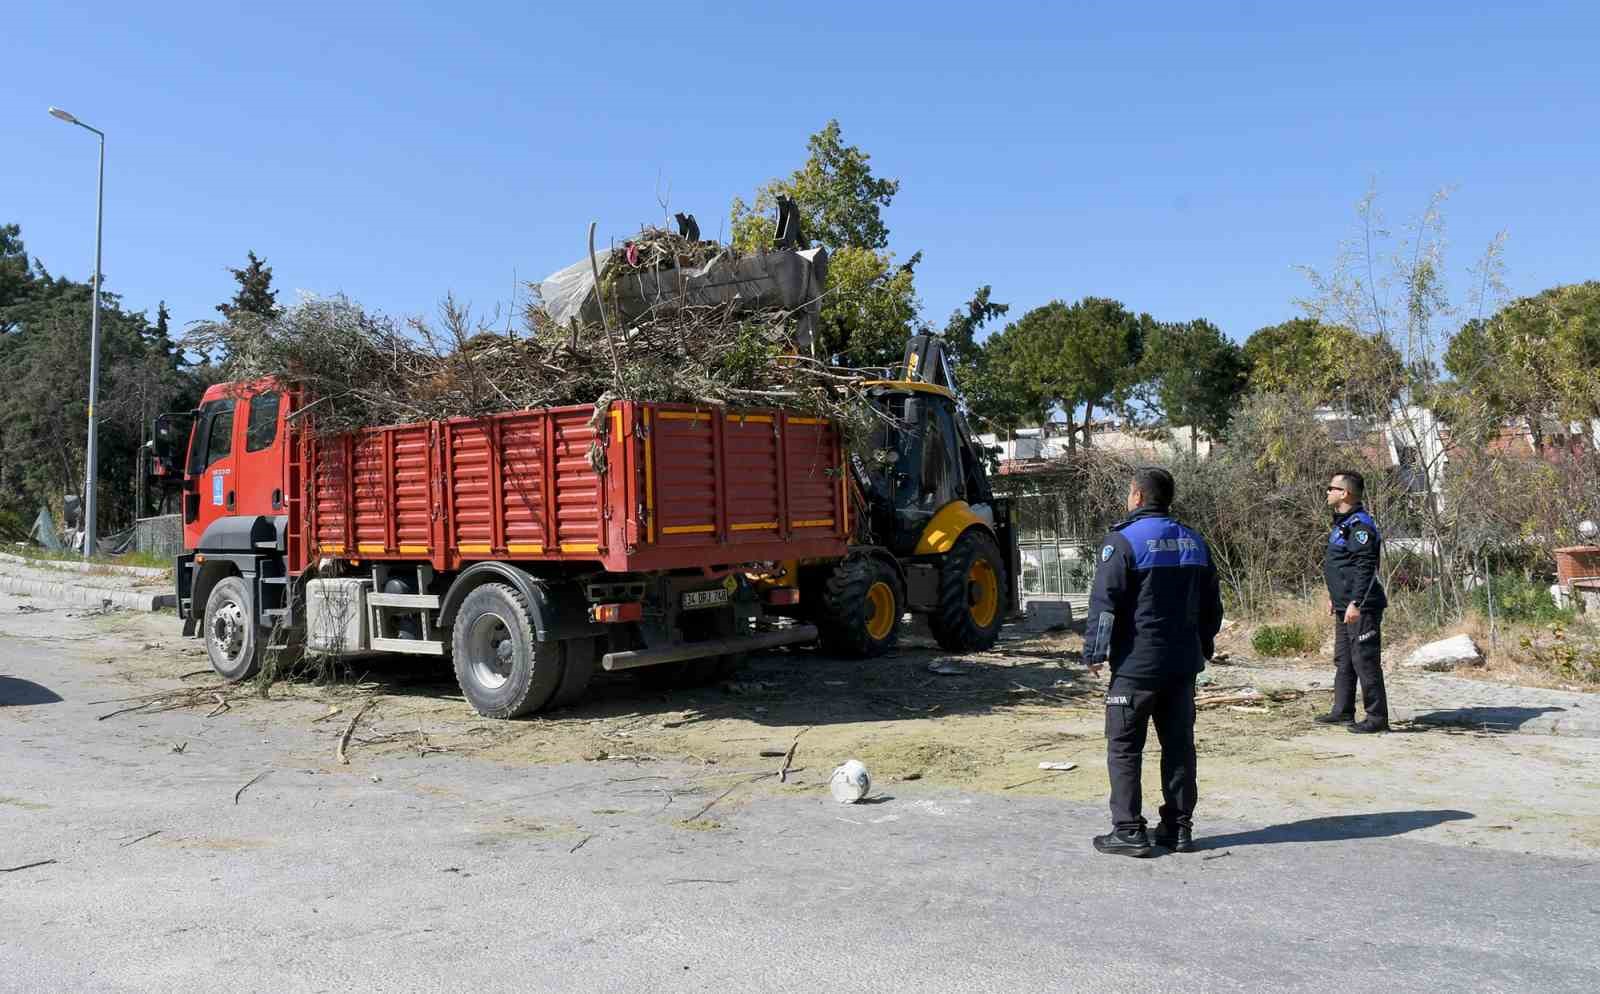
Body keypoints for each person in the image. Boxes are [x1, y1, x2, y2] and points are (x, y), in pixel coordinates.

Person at [1083, 467, 1224, 857]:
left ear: (1138, 496)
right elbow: (1212, 605)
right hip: (1182, 667)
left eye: (1130, 494)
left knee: (1125, 746)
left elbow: (1105, 603)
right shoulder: (1194, 542)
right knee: (1179, 746)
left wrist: (1095, 652)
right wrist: (1204, 645)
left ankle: (1128, 830)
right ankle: (1178, 829)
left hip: (1136, 668)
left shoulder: (1124, 541)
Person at [1317, 470, 1390, 733]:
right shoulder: (1342, 525)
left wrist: (1356, 602)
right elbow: (1340, 566)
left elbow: (1365, 566)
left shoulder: (1361, 526)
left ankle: (1377, 718)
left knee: (1365, 660)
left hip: (1362, 608)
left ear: (1344, 493)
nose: (1326, 492)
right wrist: (1333, 597)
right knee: (1344, 660)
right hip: (1342, 606)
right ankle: (1343, 711)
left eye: (1330, 488)